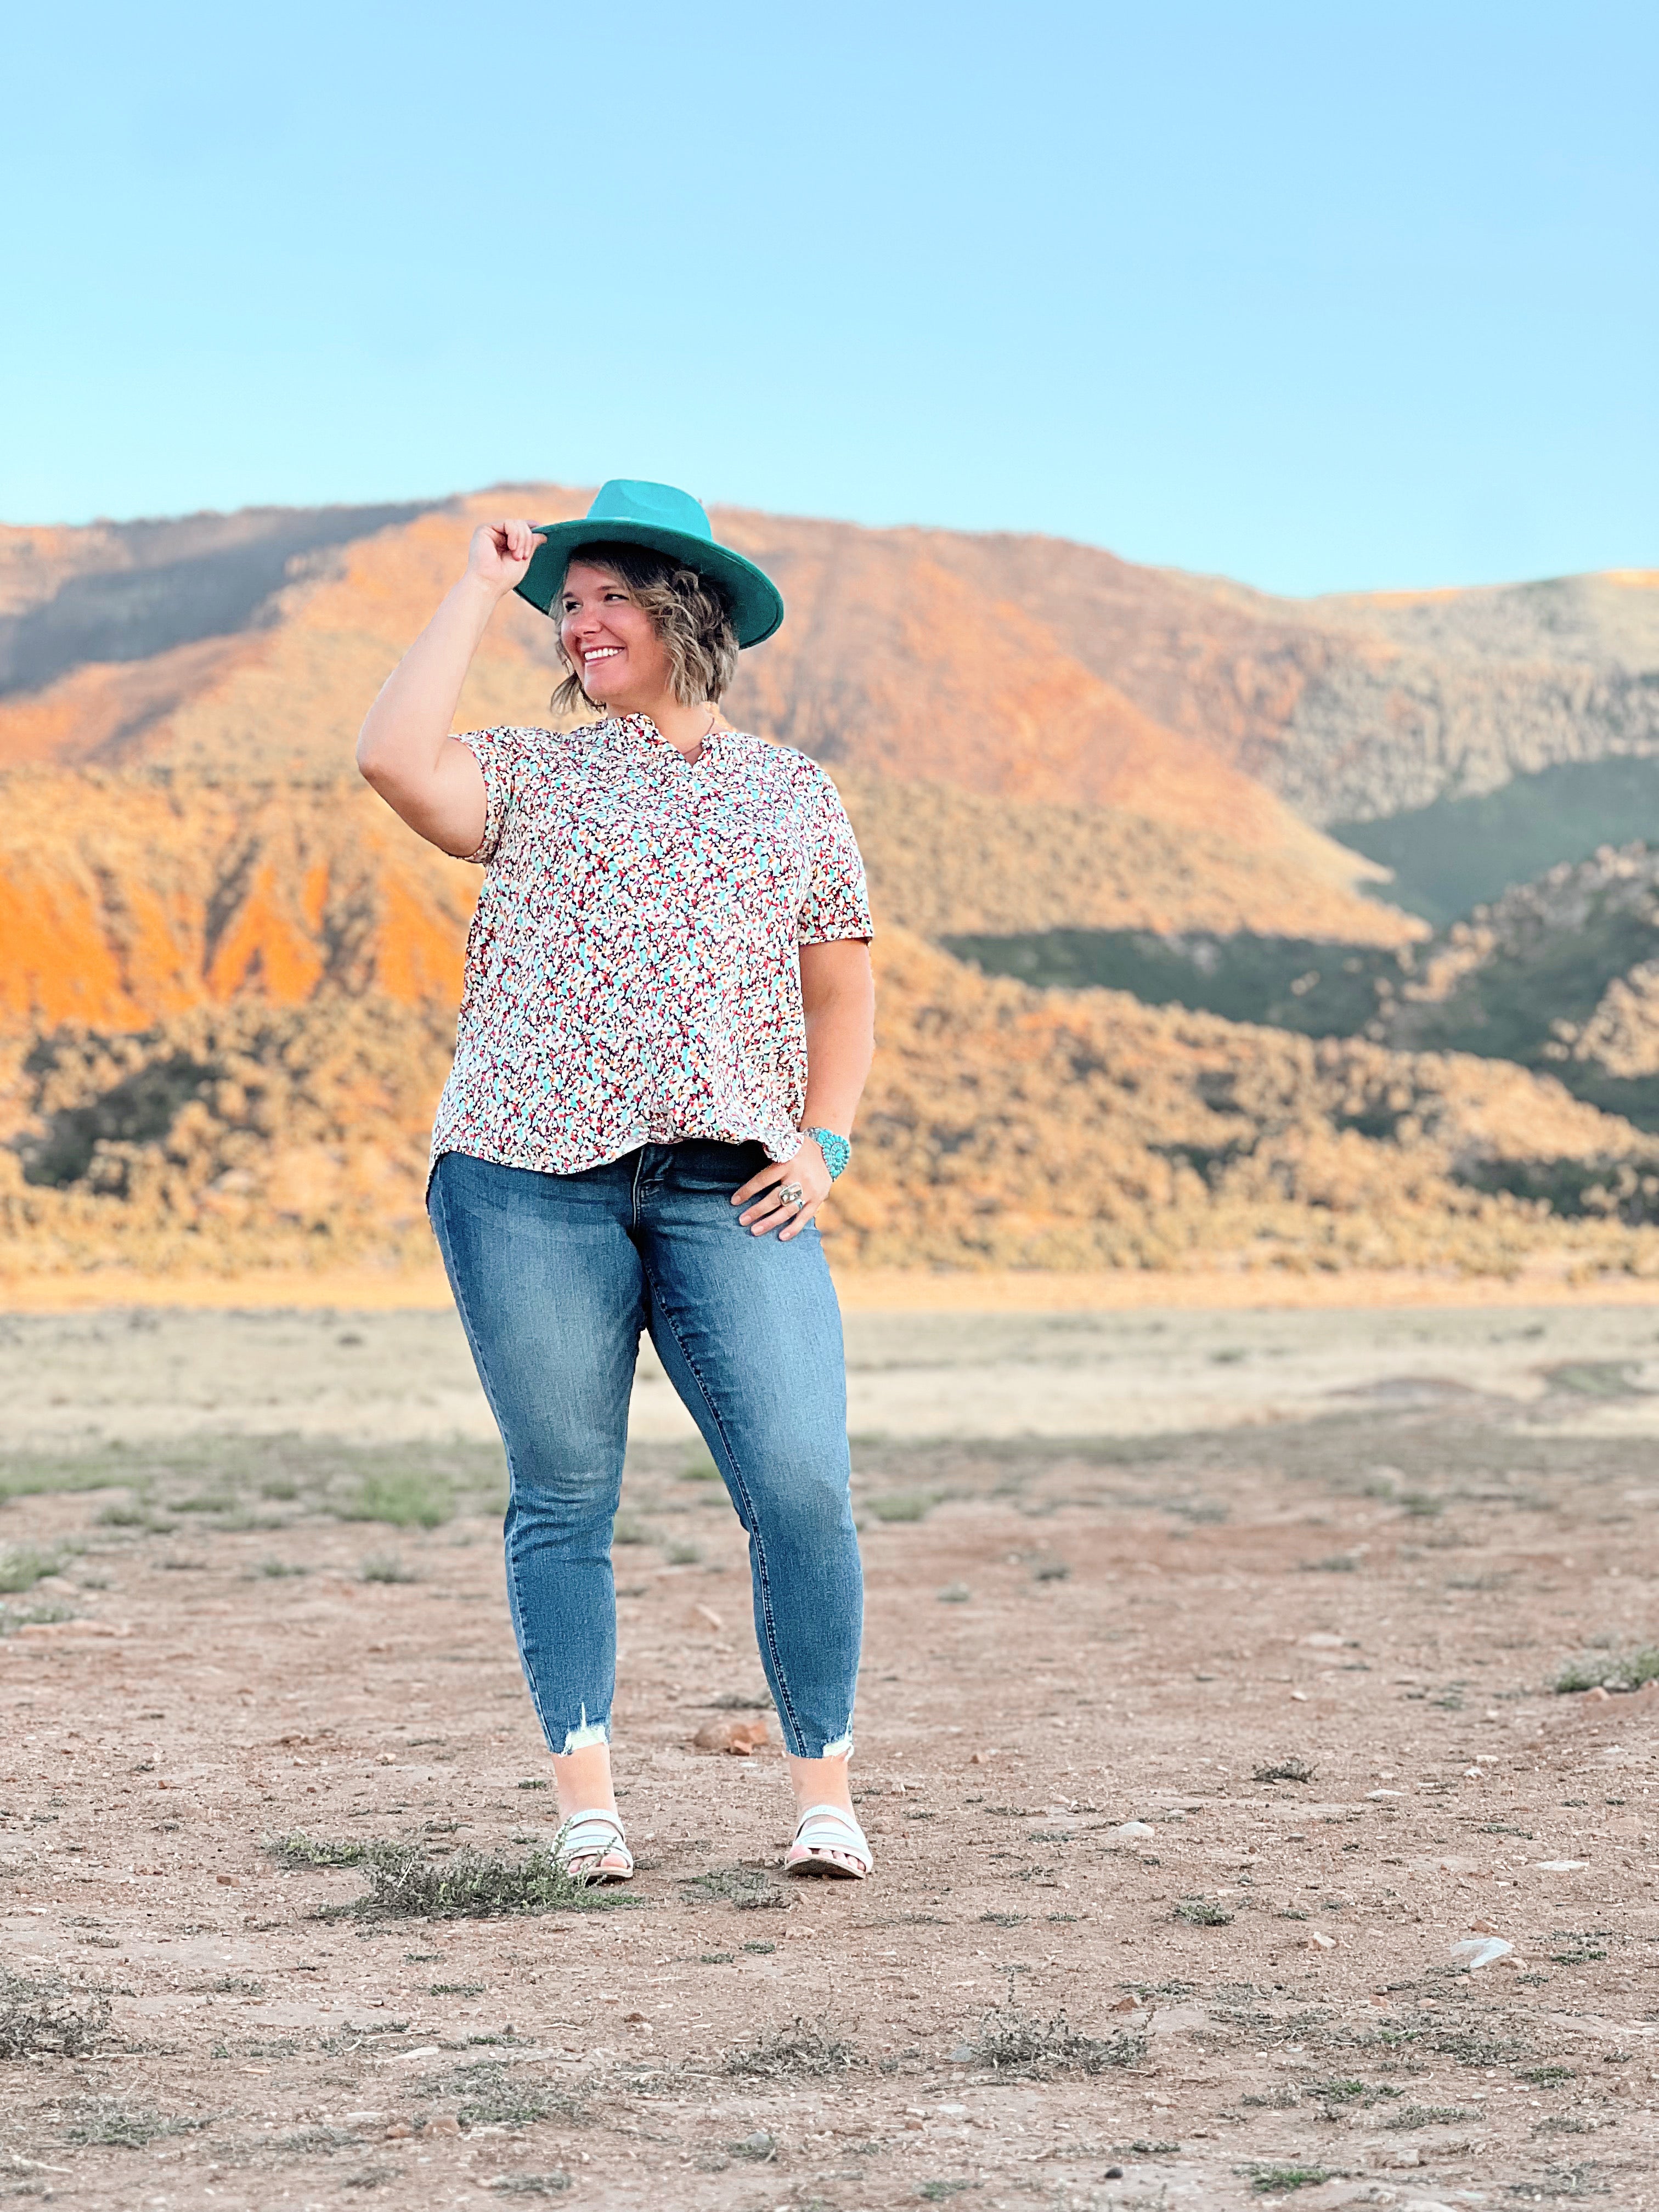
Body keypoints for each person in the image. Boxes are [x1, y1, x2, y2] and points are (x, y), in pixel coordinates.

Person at [356, 480, 877, 1881]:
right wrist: (479, 585)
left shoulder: (790, 793)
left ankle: (824, 1798)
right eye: (568, 605)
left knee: (802, 1488)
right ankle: (591, 1808)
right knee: (564, 1493)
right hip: (524, 1179)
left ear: (683, 612)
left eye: (608, 601)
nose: (581, 624)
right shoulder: (529, 772)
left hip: (731, 1186)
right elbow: (393, 757)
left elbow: (841, 993)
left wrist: (822, 1145)